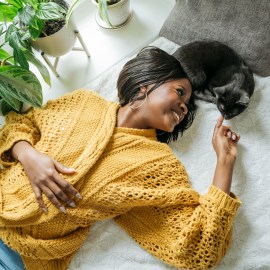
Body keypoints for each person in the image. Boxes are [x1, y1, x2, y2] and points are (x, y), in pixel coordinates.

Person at [0, 47, 241, 270]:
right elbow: (21, 123)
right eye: (180, 92)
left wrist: (225, 162)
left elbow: (197, 249)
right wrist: (28, 155)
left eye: (187, 105)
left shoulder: (157, 163)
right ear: (147, 84)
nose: (184, 107)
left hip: (21, 255)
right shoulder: (84, 102)